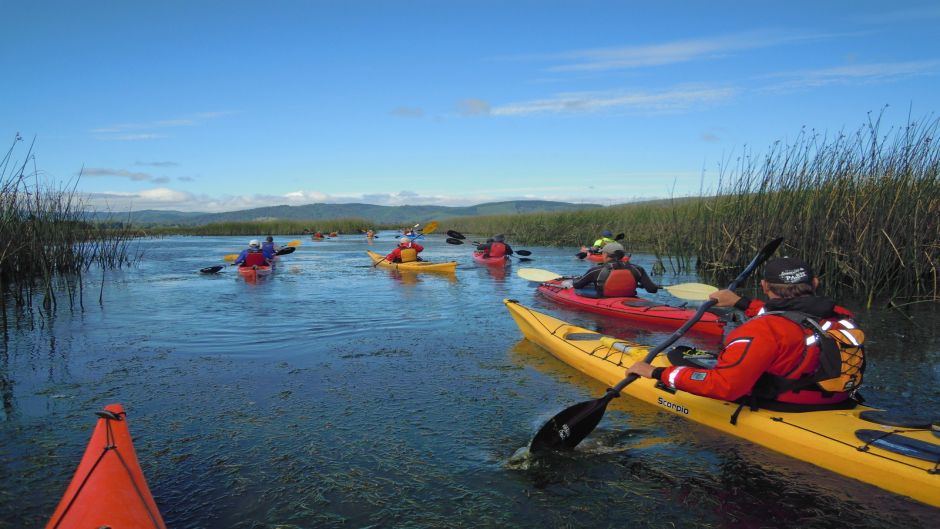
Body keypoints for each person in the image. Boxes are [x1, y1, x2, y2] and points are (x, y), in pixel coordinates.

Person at [625, 256, 861, 408]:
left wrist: (657, 373)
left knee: (679, 354)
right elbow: (795, 318)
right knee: (685, 353)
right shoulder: (841, 316)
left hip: (786, 404)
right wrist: (740, 302)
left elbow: (724, 387)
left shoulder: (760, 330)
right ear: (815, 283)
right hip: (839, 399)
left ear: (765, 286)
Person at [563, 243, 658, 297]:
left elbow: (578, 285)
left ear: (606, 254)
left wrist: (572, 281)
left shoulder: (596, 270)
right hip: (629, 298)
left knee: (577, 291)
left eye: (603, 253)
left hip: (604, 299)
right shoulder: (638, 269)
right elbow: (652, 290)